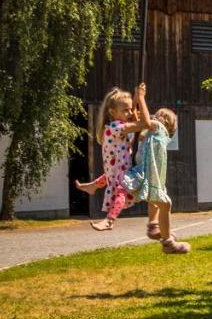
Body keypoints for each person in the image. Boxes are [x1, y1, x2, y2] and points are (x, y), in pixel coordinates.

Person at [120, 84, 189, 254]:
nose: (153, 117)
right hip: (148, 174)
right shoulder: (155, 133)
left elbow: (144, 119)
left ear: (163, 121)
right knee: (165, 203)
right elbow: (139, 117)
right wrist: (137, 97)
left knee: (158, 199)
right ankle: (167, 242)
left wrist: (141, 97)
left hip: (149, 175)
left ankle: (153, 226)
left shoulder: (158, 129)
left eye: (157, 115)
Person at [78, 87, 147, 231]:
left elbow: (134, 120)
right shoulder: (117, 127)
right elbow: (144, 124)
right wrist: (141, 98)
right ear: (112, 112)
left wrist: (134, 99)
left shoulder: (116, 126)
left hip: (116, 168)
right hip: (120, 170)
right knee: (121, 191)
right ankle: (109, 220)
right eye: (125, 110)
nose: (129, 113)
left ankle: (93, 186)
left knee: (111, 177)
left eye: (130, 109)